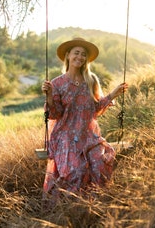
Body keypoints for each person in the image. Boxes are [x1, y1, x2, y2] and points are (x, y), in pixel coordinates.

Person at [41, 37, 128, 197]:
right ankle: (70, 208)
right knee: (76, 171)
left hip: (88, 136)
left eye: (83, 54)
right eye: (76, 53)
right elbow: (55, 114)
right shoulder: (57, 83)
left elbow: (95, 108)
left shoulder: (91, 80)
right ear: (68, 55)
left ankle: (95, 205)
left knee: (100, 165)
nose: (79, 57)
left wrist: (113, 94)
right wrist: (49, 97)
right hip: (65, 136)